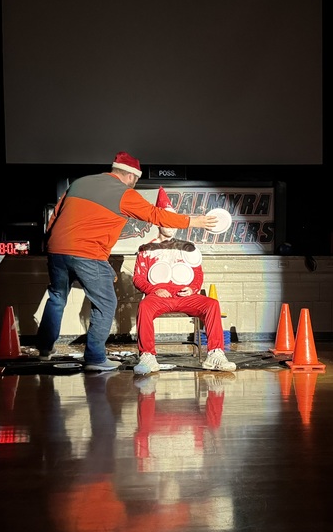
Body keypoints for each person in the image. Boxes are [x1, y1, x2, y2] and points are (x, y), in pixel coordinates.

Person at [36, 151, 220, 372]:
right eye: (136, 180)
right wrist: (194, 221)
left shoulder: (80, 183)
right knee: (106, 304)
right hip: (87, 253)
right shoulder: (123, 193)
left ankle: (45, 350)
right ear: (132, 176)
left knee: (57, 297)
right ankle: (94, 358)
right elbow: (156, 215)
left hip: (57, 250)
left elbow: (55, 215)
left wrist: (50, 245)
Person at [131, 187, 236, 375]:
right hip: (159, 296)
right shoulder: (146, 249)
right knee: (144, 307)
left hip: (184, 296)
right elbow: (138, 279)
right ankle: (147, 356)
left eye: (173, 223)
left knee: (211, 304)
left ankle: (215, 354)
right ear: (158, 223)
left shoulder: (187, 248)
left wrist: (193, 288)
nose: (170, 227)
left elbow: (197, 275)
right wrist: (153, 290)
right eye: (166, 222)